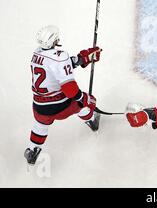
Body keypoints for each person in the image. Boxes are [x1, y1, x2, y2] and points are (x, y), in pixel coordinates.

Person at [25, 25, 102, 165]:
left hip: (38, 107)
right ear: (54, 40)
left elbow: (55, 67)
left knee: (40, 124)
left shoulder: (36, 54)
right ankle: (91, 120)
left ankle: (33, 149)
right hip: (60, 106)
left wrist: (80, 59)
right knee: (85, 102)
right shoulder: (61, 56)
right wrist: (82, 98)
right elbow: (70, 89)